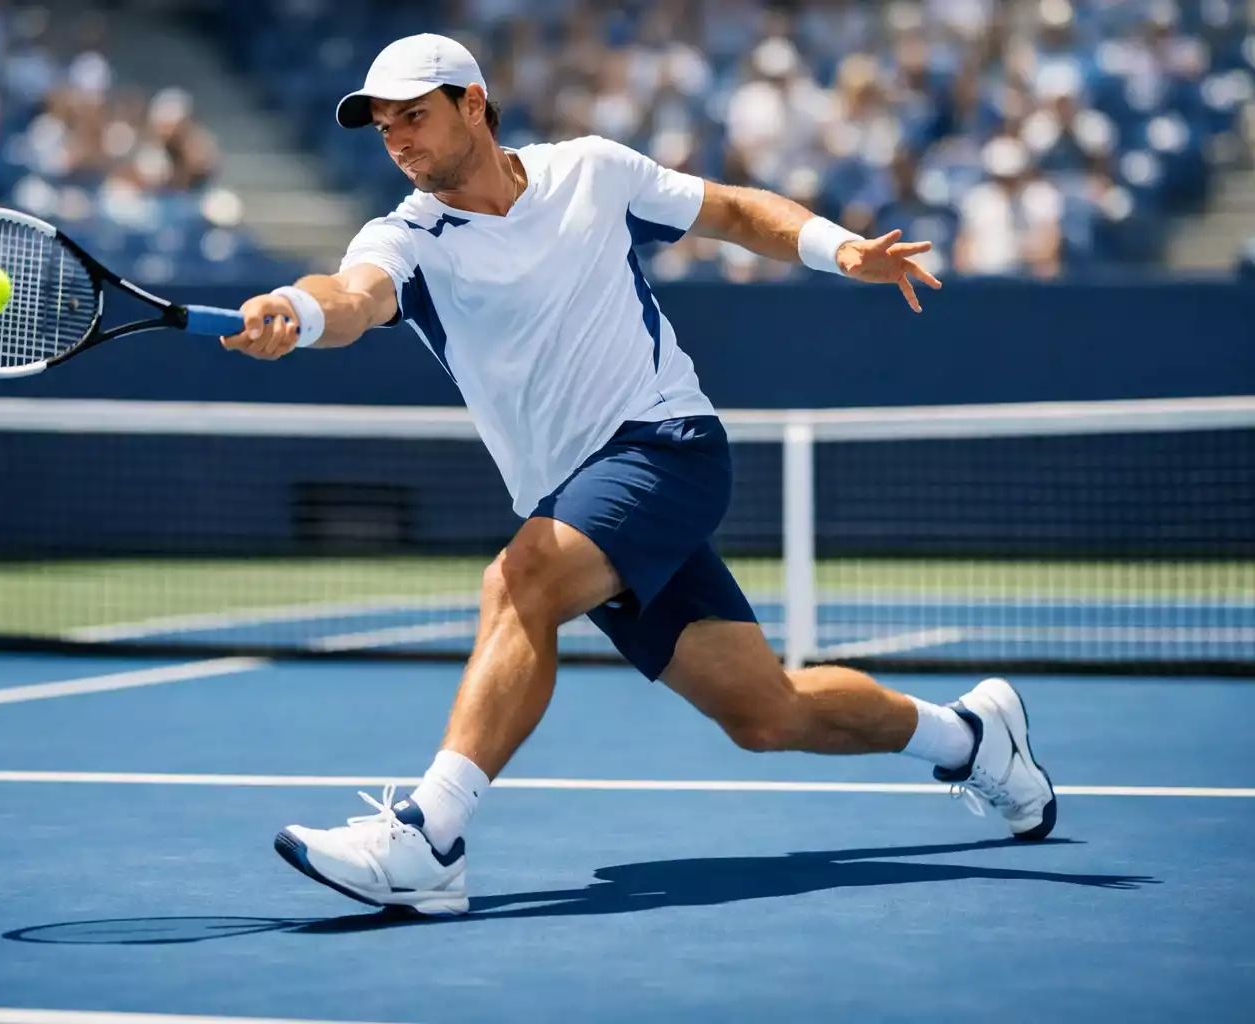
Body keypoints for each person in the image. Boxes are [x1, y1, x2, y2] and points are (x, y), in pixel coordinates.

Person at [220, 34, 1056, 917]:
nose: (397, 140)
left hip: (666, 447)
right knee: (766, 714)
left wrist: (842, 248)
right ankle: (970, 738)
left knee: (520, 580)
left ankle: (430, 837)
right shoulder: (408, 237)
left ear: (473, 104)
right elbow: (354, 295)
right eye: (384, 126)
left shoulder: (592, 170)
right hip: (576, 499)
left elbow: (729, 210)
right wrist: (299, 312)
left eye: (414, 117)